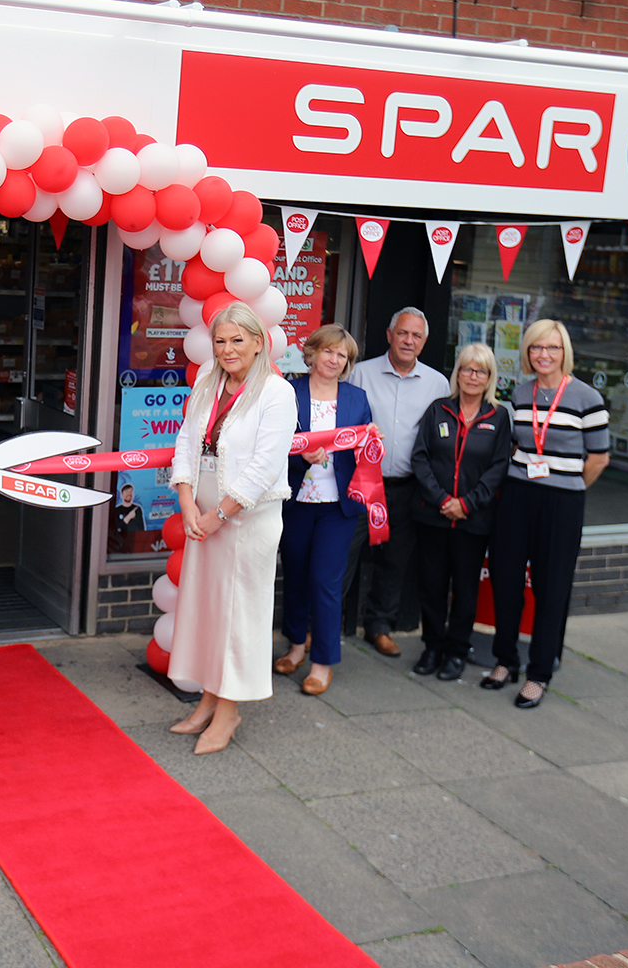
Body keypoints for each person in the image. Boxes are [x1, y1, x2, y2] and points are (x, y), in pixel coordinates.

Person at [166, 301, 297, 755]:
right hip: (202, 516)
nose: (227, 349)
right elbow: (186, 440)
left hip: (245, 523)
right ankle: (207, 699)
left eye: (238, 340)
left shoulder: (277, 393)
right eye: (220, 341)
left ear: (259, 343)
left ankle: (229, 712)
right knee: (208, 611)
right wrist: (185, 501)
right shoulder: (208, 379)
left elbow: (263, 467)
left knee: (239, 617)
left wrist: (218, 514)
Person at [483, 319, 610, 709]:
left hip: (561, 504)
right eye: (537, 347)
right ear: (527, 352)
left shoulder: (588, 398)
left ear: (564, 352)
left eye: (552, 348)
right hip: (518, 497)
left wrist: (569, 488)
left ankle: (539, 673)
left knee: (550, 589)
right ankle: (506, 660)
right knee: (505, 581)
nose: (543, 355)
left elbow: (599, 459)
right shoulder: (519, 394)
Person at [275, 324, 373, 696]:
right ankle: (297, 646)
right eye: (328, 351)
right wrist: (298, 453)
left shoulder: (356, 398)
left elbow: (365, 447)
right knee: (296, 574)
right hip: (296, 500)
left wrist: (372, 440)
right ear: (312, 353)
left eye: (342, 355)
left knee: (326, 582)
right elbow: (271, 443)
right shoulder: (288, 392)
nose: (334, 360)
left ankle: (323, 661)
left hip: (338, 506)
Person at [346, 307, 450, 657]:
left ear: (424, 342)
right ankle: (324, 627)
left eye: (416, 336)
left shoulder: (438, 383)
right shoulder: (360, 373)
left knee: (395, 560)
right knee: (343, 556)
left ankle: (380, 626)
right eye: (402, 333)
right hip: (360, 484)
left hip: (407, 488)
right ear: (389, 335)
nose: (408, 341)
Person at [409, 343, 513, 681]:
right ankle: (433, 646)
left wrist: (466, 503)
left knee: (466, 590)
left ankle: (456, 651)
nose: (472, 376)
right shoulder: (438, 409)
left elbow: (499, 467)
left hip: (474, 520)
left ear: (489, 378)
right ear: (458, 373)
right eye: (467, 369)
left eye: (480, 371)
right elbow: (420, 458)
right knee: (431, 586)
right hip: (433, 515)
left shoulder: (498, 417)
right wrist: (442, 500)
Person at [113, 483, 145, 552]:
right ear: (121, 495)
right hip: (120, 546)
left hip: (135, 545)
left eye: (130, 491)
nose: (129, 494)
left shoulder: (137, 509)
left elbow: (141, 528)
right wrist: (128, 517)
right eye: (126, 492)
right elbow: (117, 529)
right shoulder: (116, 510)